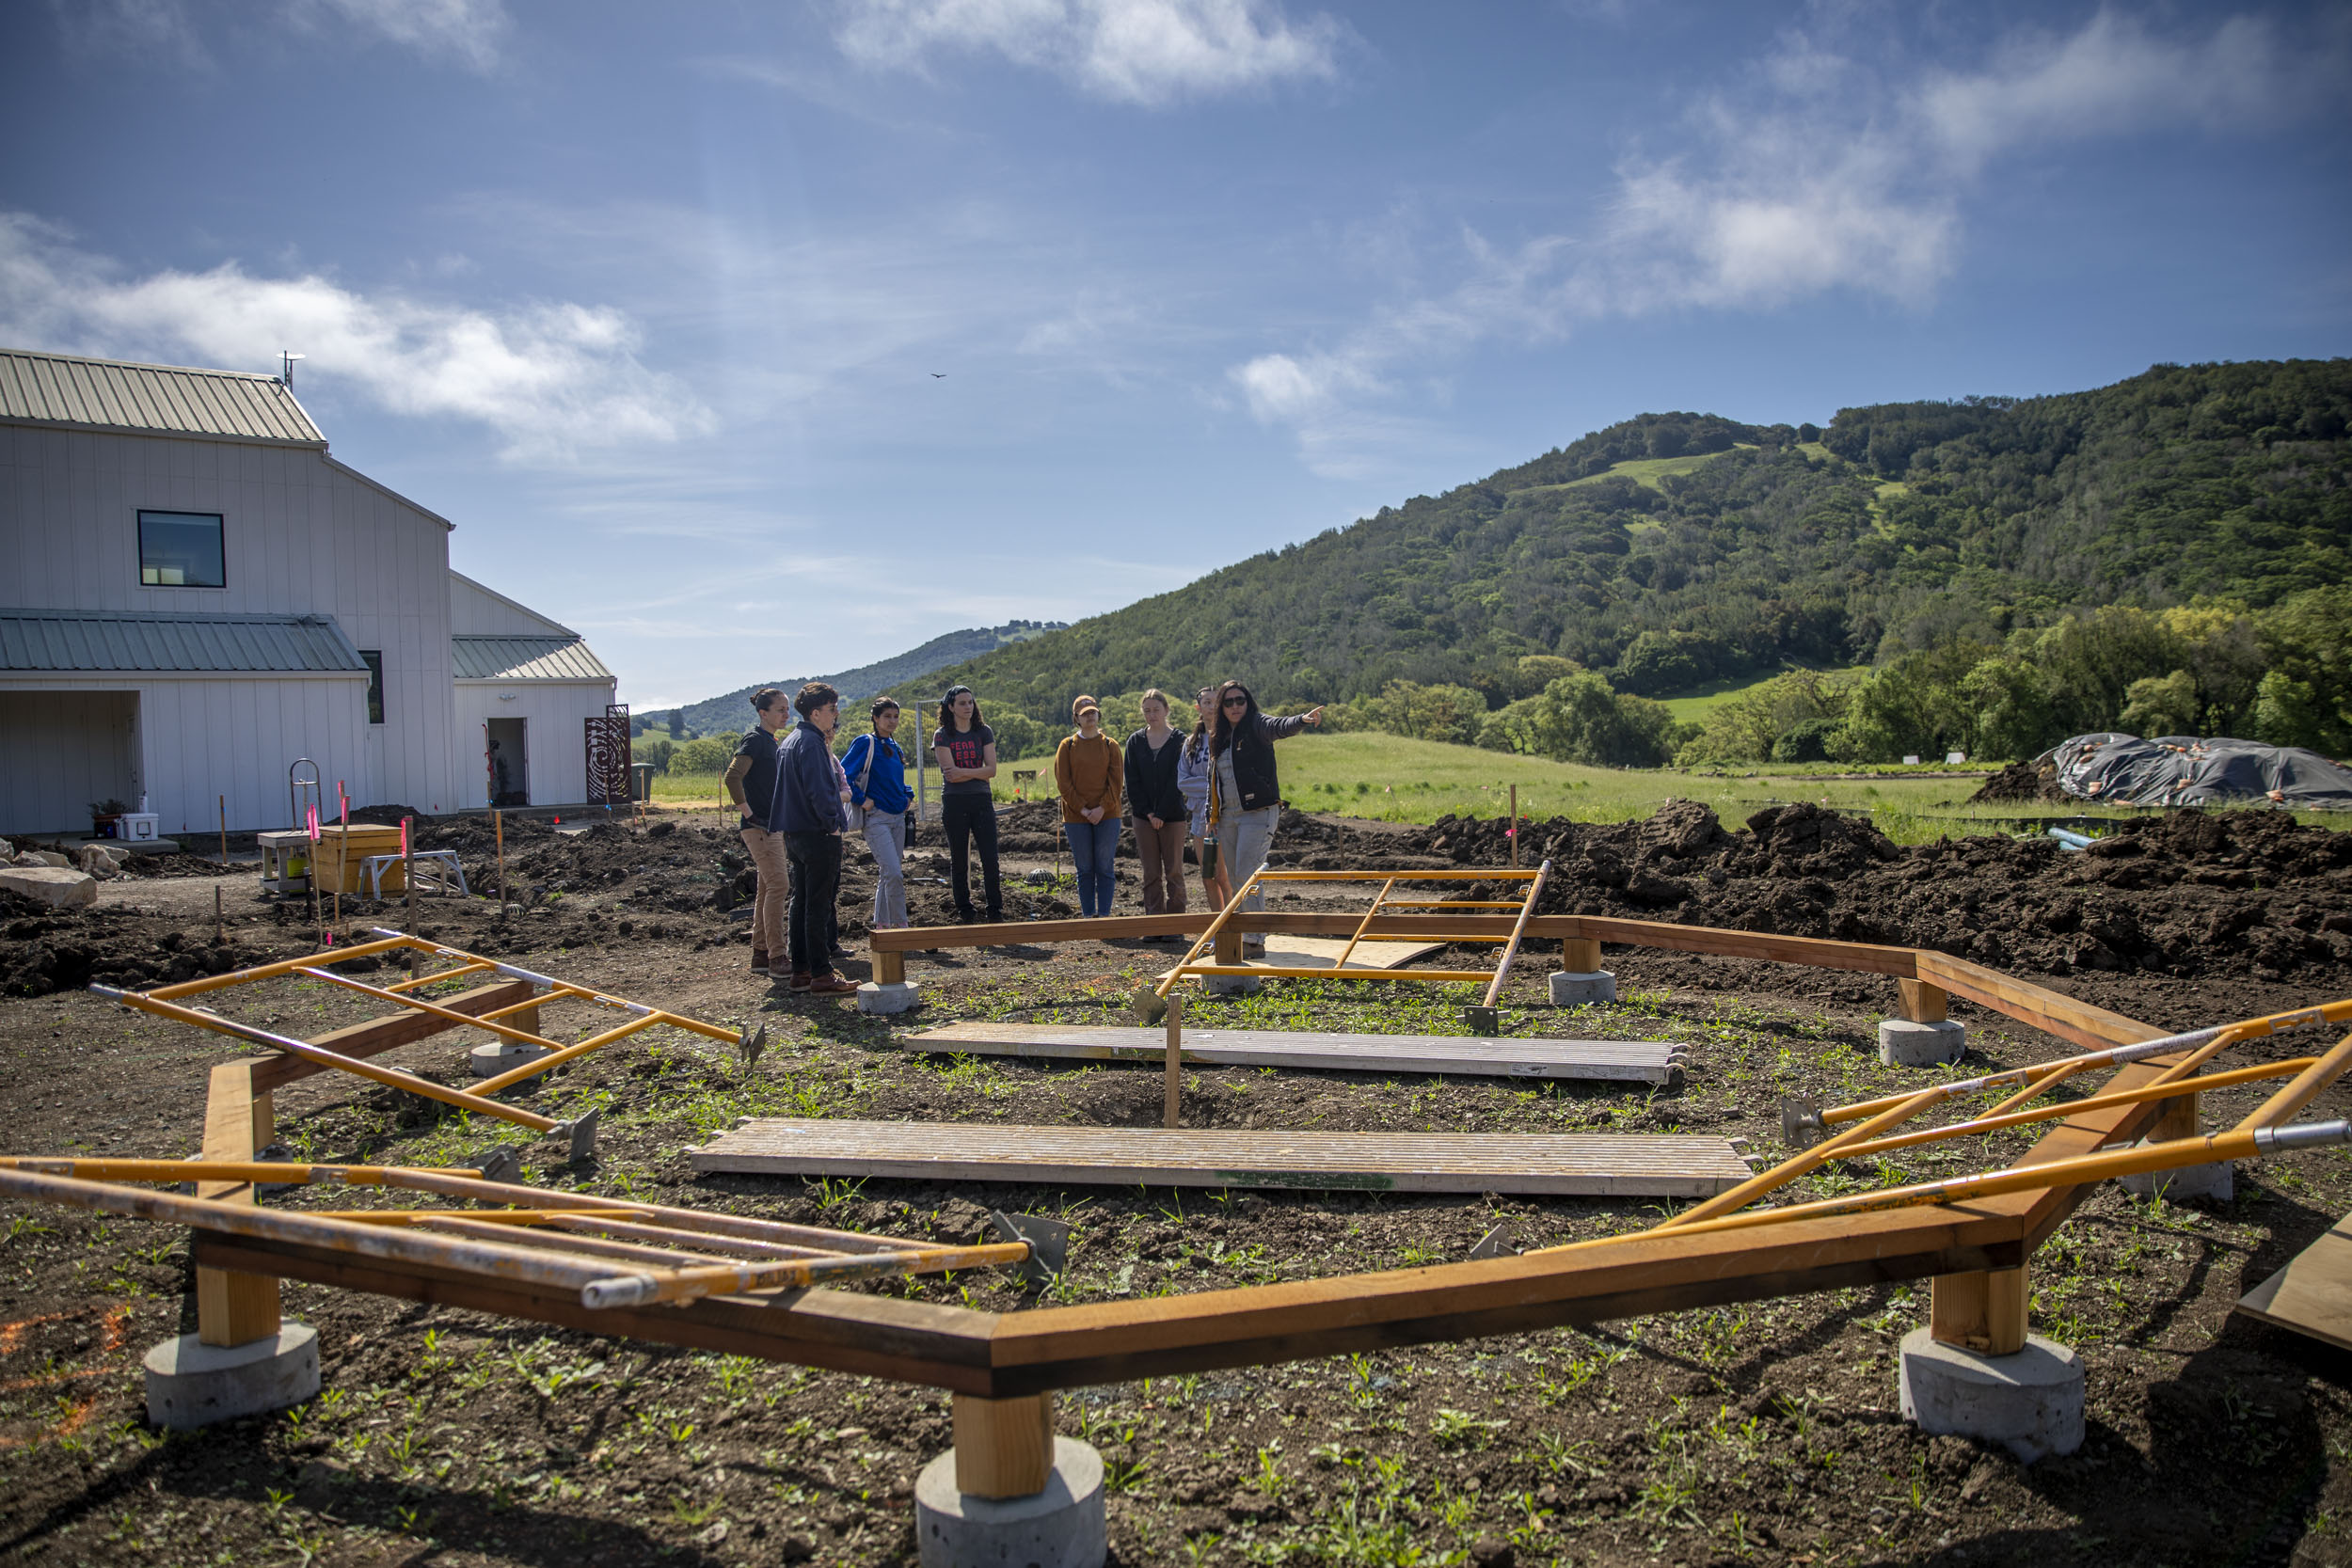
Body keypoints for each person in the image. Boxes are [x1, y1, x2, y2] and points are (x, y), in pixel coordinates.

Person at [1208, 680, 1323, 956]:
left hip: (1258, 812)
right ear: (1221, 707)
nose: (1235, 706)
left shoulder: (1257, 725)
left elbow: (1280, 726)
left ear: (1248, 704)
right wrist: (1210, 816)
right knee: (1235, 877)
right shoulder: (1219, 737)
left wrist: (1303, 720)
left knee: (1249, 873)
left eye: (1240, 701)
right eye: (1229, 702)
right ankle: (1245, 933)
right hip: (1227, 816)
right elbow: (1212, 781)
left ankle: (1254, 940)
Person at [769, 681, 858, 995]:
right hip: (819, 834)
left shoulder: (790, 741)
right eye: (832, 709)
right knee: (818, 906)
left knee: (802, 902)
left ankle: (801, 971)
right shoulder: (812, 743)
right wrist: (833, 824)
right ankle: (821, 974)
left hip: (794, 834)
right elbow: (820, 791)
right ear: (816, 712)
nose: (836, 715)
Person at [723, 688, 790, 976]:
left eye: (787, 709)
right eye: (780, 710)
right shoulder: (754, 740)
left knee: (767, 888)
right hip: (759, 827)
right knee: (779, 886)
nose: (786, 714)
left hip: (770, 826)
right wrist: (749, 814)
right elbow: (732, 776)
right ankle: (777, 957)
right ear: (764, 713)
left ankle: (761, 954)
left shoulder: (770, 742)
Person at [931, 684, 1002, 923]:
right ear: (950, 707)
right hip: (954, 802)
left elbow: (991, 770)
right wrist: (976, 771)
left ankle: (995, 909)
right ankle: (965, 909)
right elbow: (949, 774)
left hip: (981, 801)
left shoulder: (984, 732)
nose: (968, 707)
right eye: (962, 703)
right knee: (959, 859)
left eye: (970, 702)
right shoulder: (942, 735)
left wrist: (964, 772)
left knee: (990, 858)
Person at [843, 699, 914, 930]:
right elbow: (843, 775)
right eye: (887, 716)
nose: (892, 721)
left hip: (897, 818)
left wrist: (907, 796)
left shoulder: (896, 746)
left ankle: (883, 925)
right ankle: (901, 926)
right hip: (876, 819)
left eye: (896, 716)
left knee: (889, 872)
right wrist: (862, 801)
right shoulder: (866, 742)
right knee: (893, 873)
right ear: (875, 718)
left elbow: (898, 780)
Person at [1055, 695, 1124, 918]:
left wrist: (1102, 808)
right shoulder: (1067, 746)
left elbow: (1116, 782)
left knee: (1104, 866)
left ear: (1098, 714)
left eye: (1092, 712)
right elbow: (1064, 783)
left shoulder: (1110, 745)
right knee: (1084, 869)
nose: (1090, 717)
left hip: (1108, 815)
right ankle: (1087, 916)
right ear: (1076, 718)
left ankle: (1103, 916)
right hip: (1076, 817)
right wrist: (1083, 809)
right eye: (1085, 714)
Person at [1123, 689, 1187, 916]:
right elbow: (1132, 782)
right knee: (1151, 873)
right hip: (1143, 818)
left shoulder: (1180, 741)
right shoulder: (1135, 742)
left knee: (1174, 872)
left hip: (1173, 817)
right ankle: (1154, 922)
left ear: (1166, 710)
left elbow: (1177, 779)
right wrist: (1150, 813)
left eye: (1156, 710)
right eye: (1147, 710)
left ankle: (1176, 922)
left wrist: (1161, 812)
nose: (1152, 715)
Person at [1178, 686, 1228, 910]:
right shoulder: (1191, 744)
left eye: (1215, 701)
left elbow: (1231, 780)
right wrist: (1212, 785)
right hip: (1200, 819)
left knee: (1225, 877)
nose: (1211, 706)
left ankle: (1233, 928)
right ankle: (1217, 926)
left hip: (1226, 818)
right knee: (1208, 875)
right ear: (1198, 707)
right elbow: (1183, 782)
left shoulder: (1229, 738)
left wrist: (1215, 786)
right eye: (1207, 702)